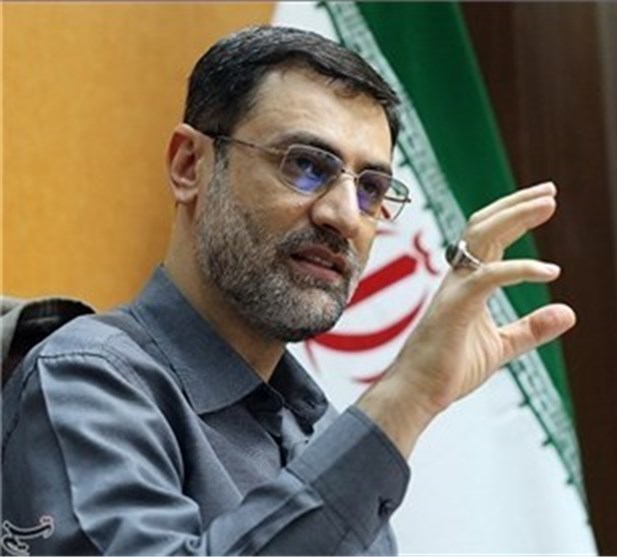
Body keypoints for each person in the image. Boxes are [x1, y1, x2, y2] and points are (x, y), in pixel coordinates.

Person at [1, 25, 575, 555]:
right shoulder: (84, 380)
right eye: (305, 165)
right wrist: (409, 391)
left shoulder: (321, 431)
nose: (344, 215)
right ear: (190, 166)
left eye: (372, 188)